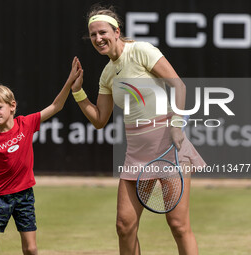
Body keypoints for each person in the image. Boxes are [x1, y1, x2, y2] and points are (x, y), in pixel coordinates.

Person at [70, 5, 206, 255]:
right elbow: (100, 120)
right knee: (124, 225)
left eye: (102, 32)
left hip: (168, 145)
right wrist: (77, 91)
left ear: (116, 31)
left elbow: (179, 86)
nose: (98, 39)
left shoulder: (142, 50)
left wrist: (177, 125)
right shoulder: (107, 74)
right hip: (136, 153)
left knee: (178, 224)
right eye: (93, 35)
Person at [0, 57, 83, 255]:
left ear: (12, 106)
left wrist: (70, 81)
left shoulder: (26, 124)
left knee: (31, 249)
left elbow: (56, 106)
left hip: (25, 196)